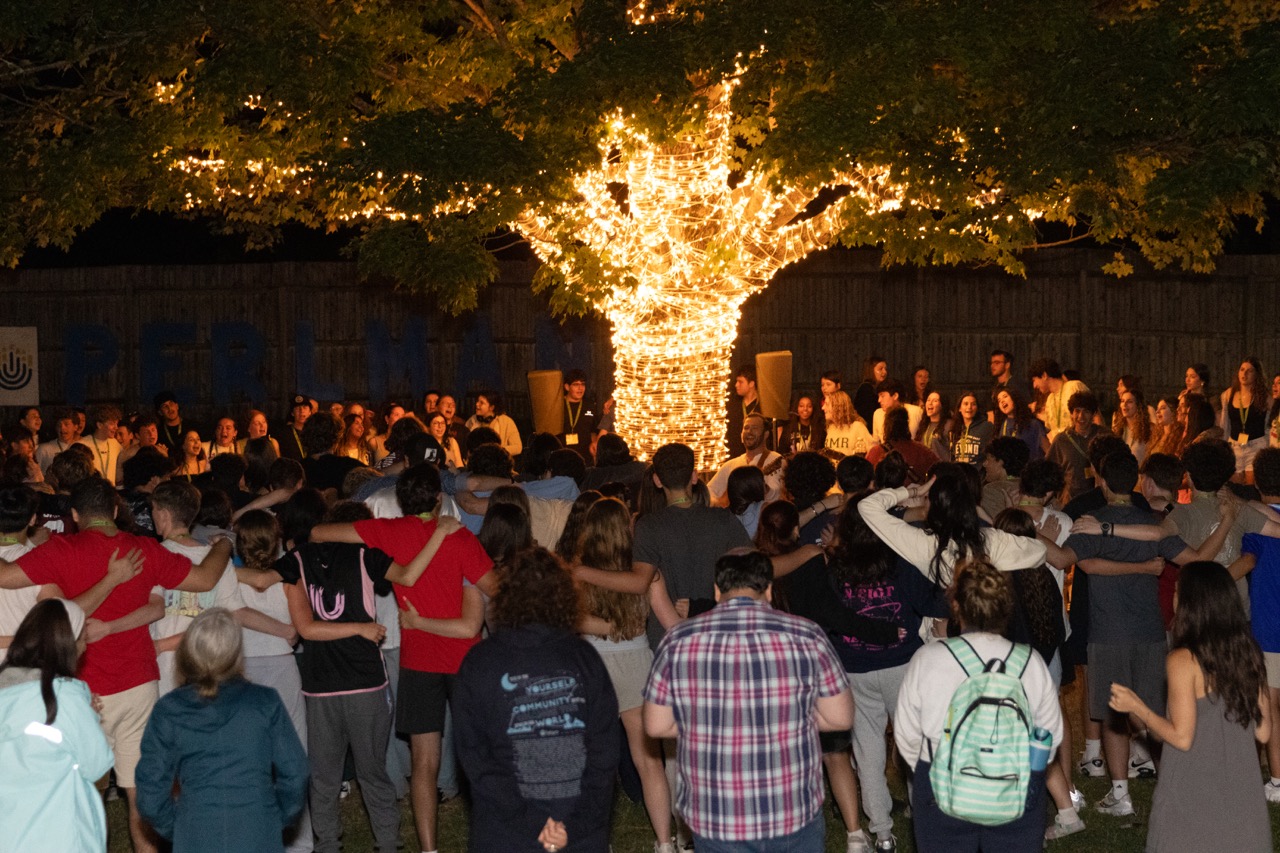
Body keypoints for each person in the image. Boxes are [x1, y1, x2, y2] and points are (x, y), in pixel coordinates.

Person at [643, 548, 854, 851]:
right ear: (768, 589)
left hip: (717, 815)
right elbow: (840, 718)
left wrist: (710, 723)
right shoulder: (808, 635)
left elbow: (656, 725)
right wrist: (791, 717)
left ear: (717, 590)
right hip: (792, 809)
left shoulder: (678, 640)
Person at [455, 547, 619, 853]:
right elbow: (605, 750)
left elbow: (474, 756)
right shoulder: (585, 658)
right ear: (564, 597)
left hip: (506, 831)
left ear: (506, 597)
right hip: (575, 828)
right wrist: (573, 824)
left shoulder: (479, 662)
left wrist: (532, 822)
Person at [894, 559, 1062, 853]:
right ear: (1006, 607)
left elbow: (907, 735)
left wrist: (931, 771)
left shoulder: (928, 659)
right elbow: (1051, 737)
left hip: (939, 784)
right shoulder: (1030, 661)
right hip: (1015, 787)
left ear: (956, 606)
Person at [1108, 561, 1271, 853]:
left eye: (1178, 591)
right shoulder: (1250, 655)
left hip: (1192, 797)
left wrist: (1139, 708)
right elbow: (1264, 732)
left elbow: (1181, 738)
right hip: (1242, 799)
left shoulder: (1184, 660)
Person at [135, 608, 309, 853]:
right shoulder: (264, 702)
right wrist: (275, 817)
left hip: (197, 831)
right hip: (257, 830)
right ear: (235, 654)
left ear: (188, 653)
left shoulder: (169, 709)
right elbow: (295, 772)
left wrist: (179, 827)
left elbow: (150, 792)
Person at [571, 497, 673, 852]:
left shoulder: (577, 571)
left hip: (590, 667)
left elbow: (567, 619)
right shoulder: (646, 571)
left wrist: (602, 626)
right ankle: (665, 842)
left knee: (590, 764)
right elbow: (670, 622)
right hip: (635, 666)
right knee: (649, 761)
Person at [0, 599, 112, 853]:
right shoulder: (65, 697)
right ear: (66, 644)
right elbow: (97, 764)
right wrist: (90, 717)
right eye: (83, 638)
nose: (85, 646)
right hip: (58, 837)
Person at [707, 413, 783, 506]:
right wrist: (719, 505)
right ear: (741, 434)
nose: (749, 431)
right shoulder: (730, 465)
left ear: (766, 434)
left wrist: (764, 488)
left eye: (754, 428)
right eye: (746, 428)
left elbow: (776, 493)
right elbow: (708, 493)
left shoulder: (776, 460)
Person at [822, 390, 872, 460]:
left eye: (827, 404)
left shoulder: (857, 427)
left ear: (838, 406)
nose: (823, 408)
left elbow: (871, 453)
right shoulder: (830, 428)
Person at [947, 392, 992, 465]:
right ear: (959, 408)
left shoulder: (986, 427)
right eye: (966, 404)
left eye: (973, 404)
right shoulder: (955, 429)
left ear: (977, 408)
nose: (969, 407)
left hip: (978, 474)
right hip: (960, 474)